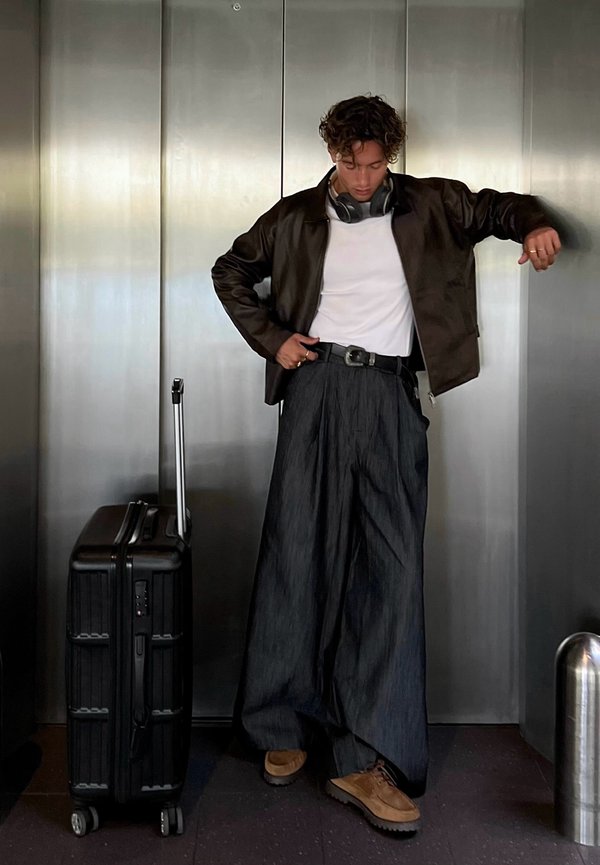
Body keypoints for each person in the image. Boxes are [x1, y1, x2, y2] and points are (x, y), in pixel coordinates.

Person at [211, 94, 560, 833]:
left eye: (374, 164)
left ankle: (366, 752)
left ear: (390, 156)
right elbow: (230, 271)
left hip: (391, 391)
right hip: (316, 388)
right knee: (296, 551)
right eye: (349, 164)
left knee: (392, 571)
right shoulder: (295, 216)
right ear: (331, 154)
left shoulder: (435, 204)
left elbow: (500, 207)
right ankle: (279, 724)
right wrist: (272, 338)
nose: (363, 178)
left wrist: (534, 225)